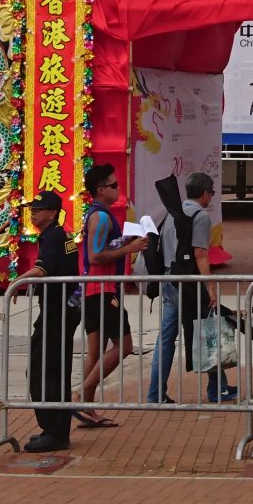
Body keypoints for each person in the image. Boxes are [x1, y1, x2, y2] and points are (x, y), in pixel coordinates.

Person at [73, 164, 146, 423]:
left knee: (95, 353)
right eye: (113, 185)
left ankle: (86, 406)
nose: (117, 189)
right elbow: (95, 256)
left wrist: (125, 242)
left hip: (95, 290)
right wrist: (129, 249)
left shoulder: (98, 215)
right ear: (101, 189)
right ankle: (81, 394)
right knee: (124, 346)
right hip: (102, 290)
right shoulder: (101, 217)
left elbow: (100, 249)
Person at [148, 174, 229, 403]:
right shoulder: (200, 217)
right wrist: (210, 287)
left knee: (167, 338)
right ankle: (217, 388)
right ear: (205, 193)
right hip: (189, 284)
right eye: (211, 193)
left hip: (169, 279)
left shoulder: (172, 212)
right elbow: (200, 254)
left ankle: (156, 392)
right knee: (208, 332)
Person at [16, 192, 78, 454]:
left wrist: (16, 283)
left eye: (38, 209)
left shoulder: (53, 237)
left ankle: (55, 432)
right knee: (54, 370)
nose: (33, 213)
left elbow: (42, 270)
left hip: (57, 312)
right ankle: (56, 429)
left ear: (52, 213)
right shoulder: (59, 235)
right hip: (61, 310)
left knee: (43, 370)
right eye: (31, 209)